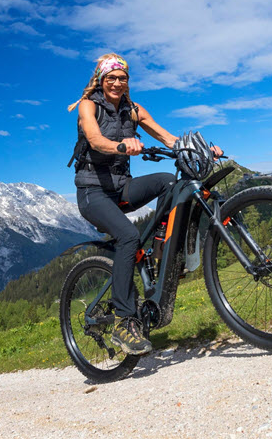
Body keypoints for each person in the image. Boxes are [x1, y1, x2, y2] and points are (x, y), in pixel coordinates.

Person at [68, 53, 221, 355]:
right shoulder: (88, 106)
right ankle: (125, 322)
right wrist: (120, 146)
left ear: (127, 82)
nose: (116, 82)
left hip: (121, 187)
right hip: (93, 192)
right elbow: (95, 139)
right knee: (128, 236)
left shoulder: (133, 109)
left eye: (122, 78)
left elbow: (168, 137)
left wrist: (200, 149)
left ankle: (164, 252)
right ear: (101, 79)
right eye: (111, 77)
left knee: (170, 181)